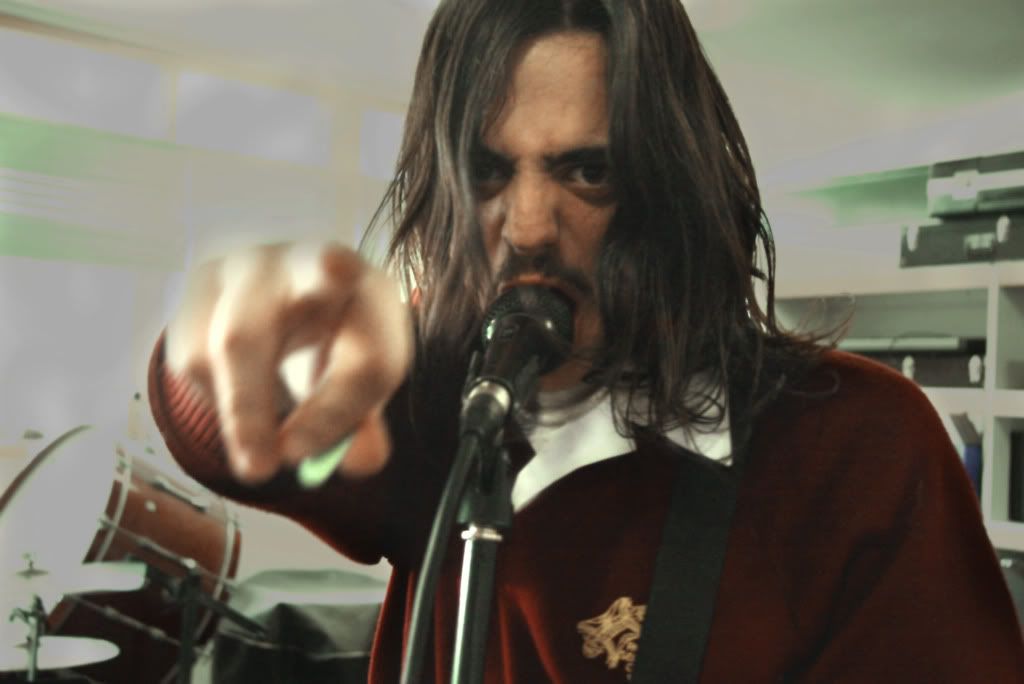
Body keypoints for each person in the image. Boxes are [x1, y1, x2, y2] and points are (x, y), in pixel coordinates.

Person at [148, 0, 1024, 681]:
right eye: (488, 172)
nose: (529, 227)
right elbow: (229, 440)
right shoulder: (441, 400)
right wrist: (246, 332)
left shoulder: (860, 445)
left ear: (671, 187)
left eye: (589, 170)